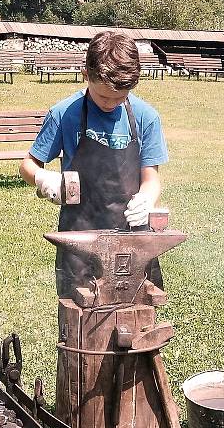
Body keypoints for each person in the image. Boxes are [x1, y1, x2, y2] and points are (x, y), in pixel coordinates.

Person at [19, 31, 168, 296]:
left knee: (136, 318)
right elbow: (27, 165)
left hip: (132, 238)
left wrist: (147, 198)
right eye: (103, 97)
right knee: (79, 321)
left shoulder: (147, 117)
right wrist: (44, 179)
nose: (111, 104)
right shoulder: (65, 113)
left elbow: (151, 179)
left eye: (120, 97)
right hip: (80, 239)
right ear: (86, 75)